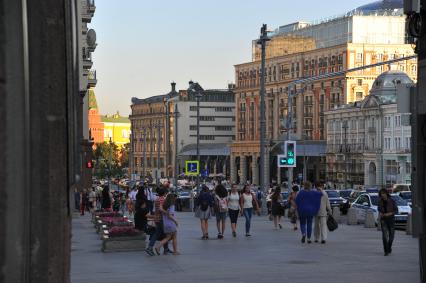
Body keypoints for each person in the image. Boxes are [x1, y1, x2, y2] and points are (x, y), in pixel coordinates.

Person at [378, 188, 398, 256]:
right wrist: (380, 213)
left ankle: (389, 247)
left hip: (391, 220)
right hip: (383, 220)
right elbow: (379, 209)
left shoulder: (392, 201)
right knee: (384, 236)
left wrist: (389, 213)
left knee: (391, 236)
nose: (382, 195)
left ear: (386, 193)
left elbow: (396, 210)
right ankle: (386, 251)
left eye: (383, 193)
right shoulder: (380, 201)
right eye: (381, 194)